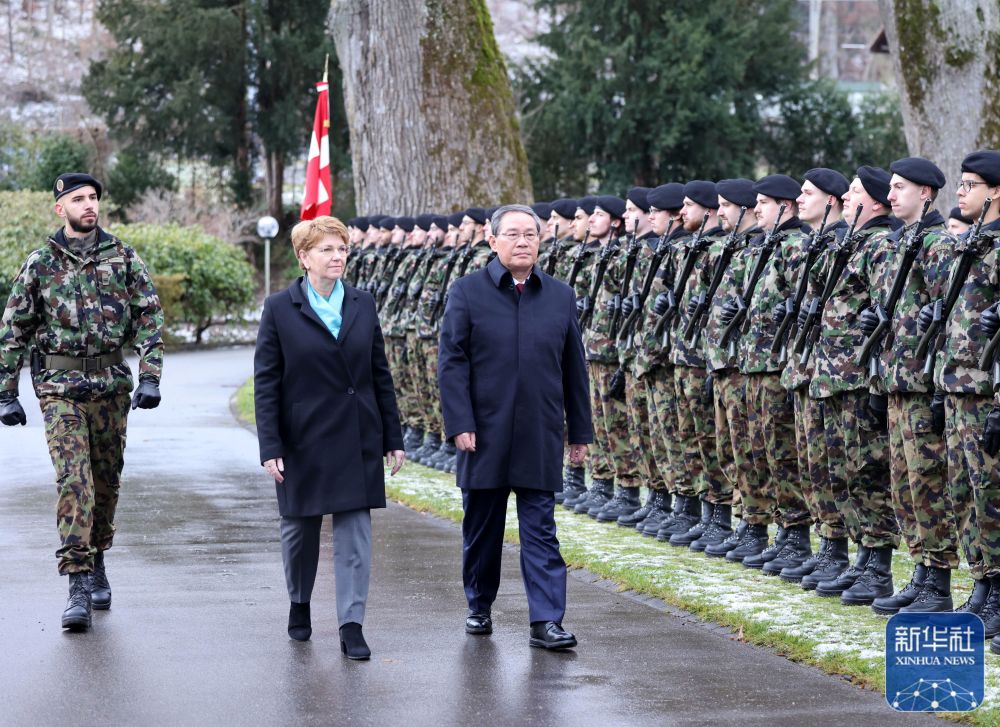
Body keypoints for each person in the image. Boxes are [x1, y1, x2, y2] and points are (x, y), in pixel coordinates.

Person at [0, 172, 164, 632]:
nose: (89, 205)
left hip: (111, 388)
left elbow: (149, 316)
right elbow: (14, 328)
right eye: (79, 199)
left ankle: (97, 560)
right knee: (75, 481)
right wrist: (6, 391)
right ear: (60, 208)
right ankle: (76, 583)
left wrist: (150, 377)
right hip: (59, 390)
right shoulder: (40, 264)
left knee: (106, 484)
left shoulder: (123, 257)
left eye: (93, 198)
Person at [438, 204, 593, 650]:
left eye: (531, 234)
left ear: (541, 242)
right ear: (492, 240)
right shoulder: (467, 292)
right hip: (482, 434)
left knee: (541, 530)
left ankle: (546, 620)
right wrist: (459, 422)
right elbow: (452, 363)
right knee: (482, 529)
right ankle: (479, 605)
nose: (523, 241)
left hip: (538, 433)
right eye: (513, 234)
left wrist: (578, 430)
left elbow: (573, 368)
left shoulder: (560, 296)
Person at [254, 215, 405, 660]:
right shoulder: (280, 308)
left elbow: (380, 374)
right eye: (327, 249)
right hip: (301, 437)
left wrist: (392, 437)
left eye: (342, 248)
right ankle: (299, 603)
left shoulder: (363, 303)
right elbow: (266, 381)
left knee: (355, 534)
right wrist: (271, 446)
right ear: (304, 257)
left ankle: (351, 624)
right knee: (299, 533)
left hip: (357, 432)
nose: (337, 256)